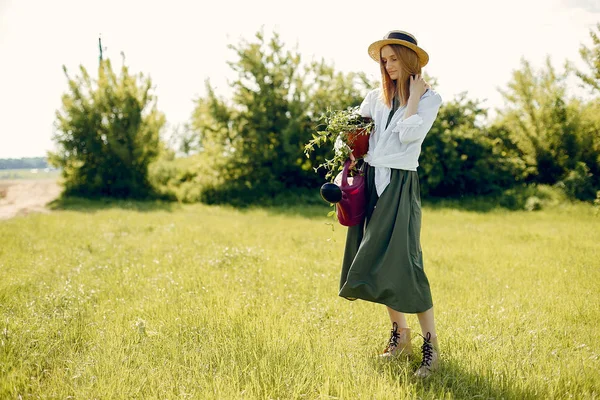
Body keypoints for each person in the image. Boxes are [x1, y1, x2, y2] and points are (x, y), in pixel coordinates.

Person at [339, 30, 443, 378]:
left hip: (400, 183)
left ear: (409, 58)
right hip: (372, 180)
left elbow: (410, 135)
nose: (388, 65)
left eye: (394, 58)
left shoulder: (430, 99)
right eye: (384, 60)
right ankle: (401, 340)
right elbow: (355, 134)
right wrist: (349, 144)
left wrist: (413, 98)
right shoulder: (374, 97)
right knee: (377, 260)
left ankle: (432, 349)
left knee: (407, 262)